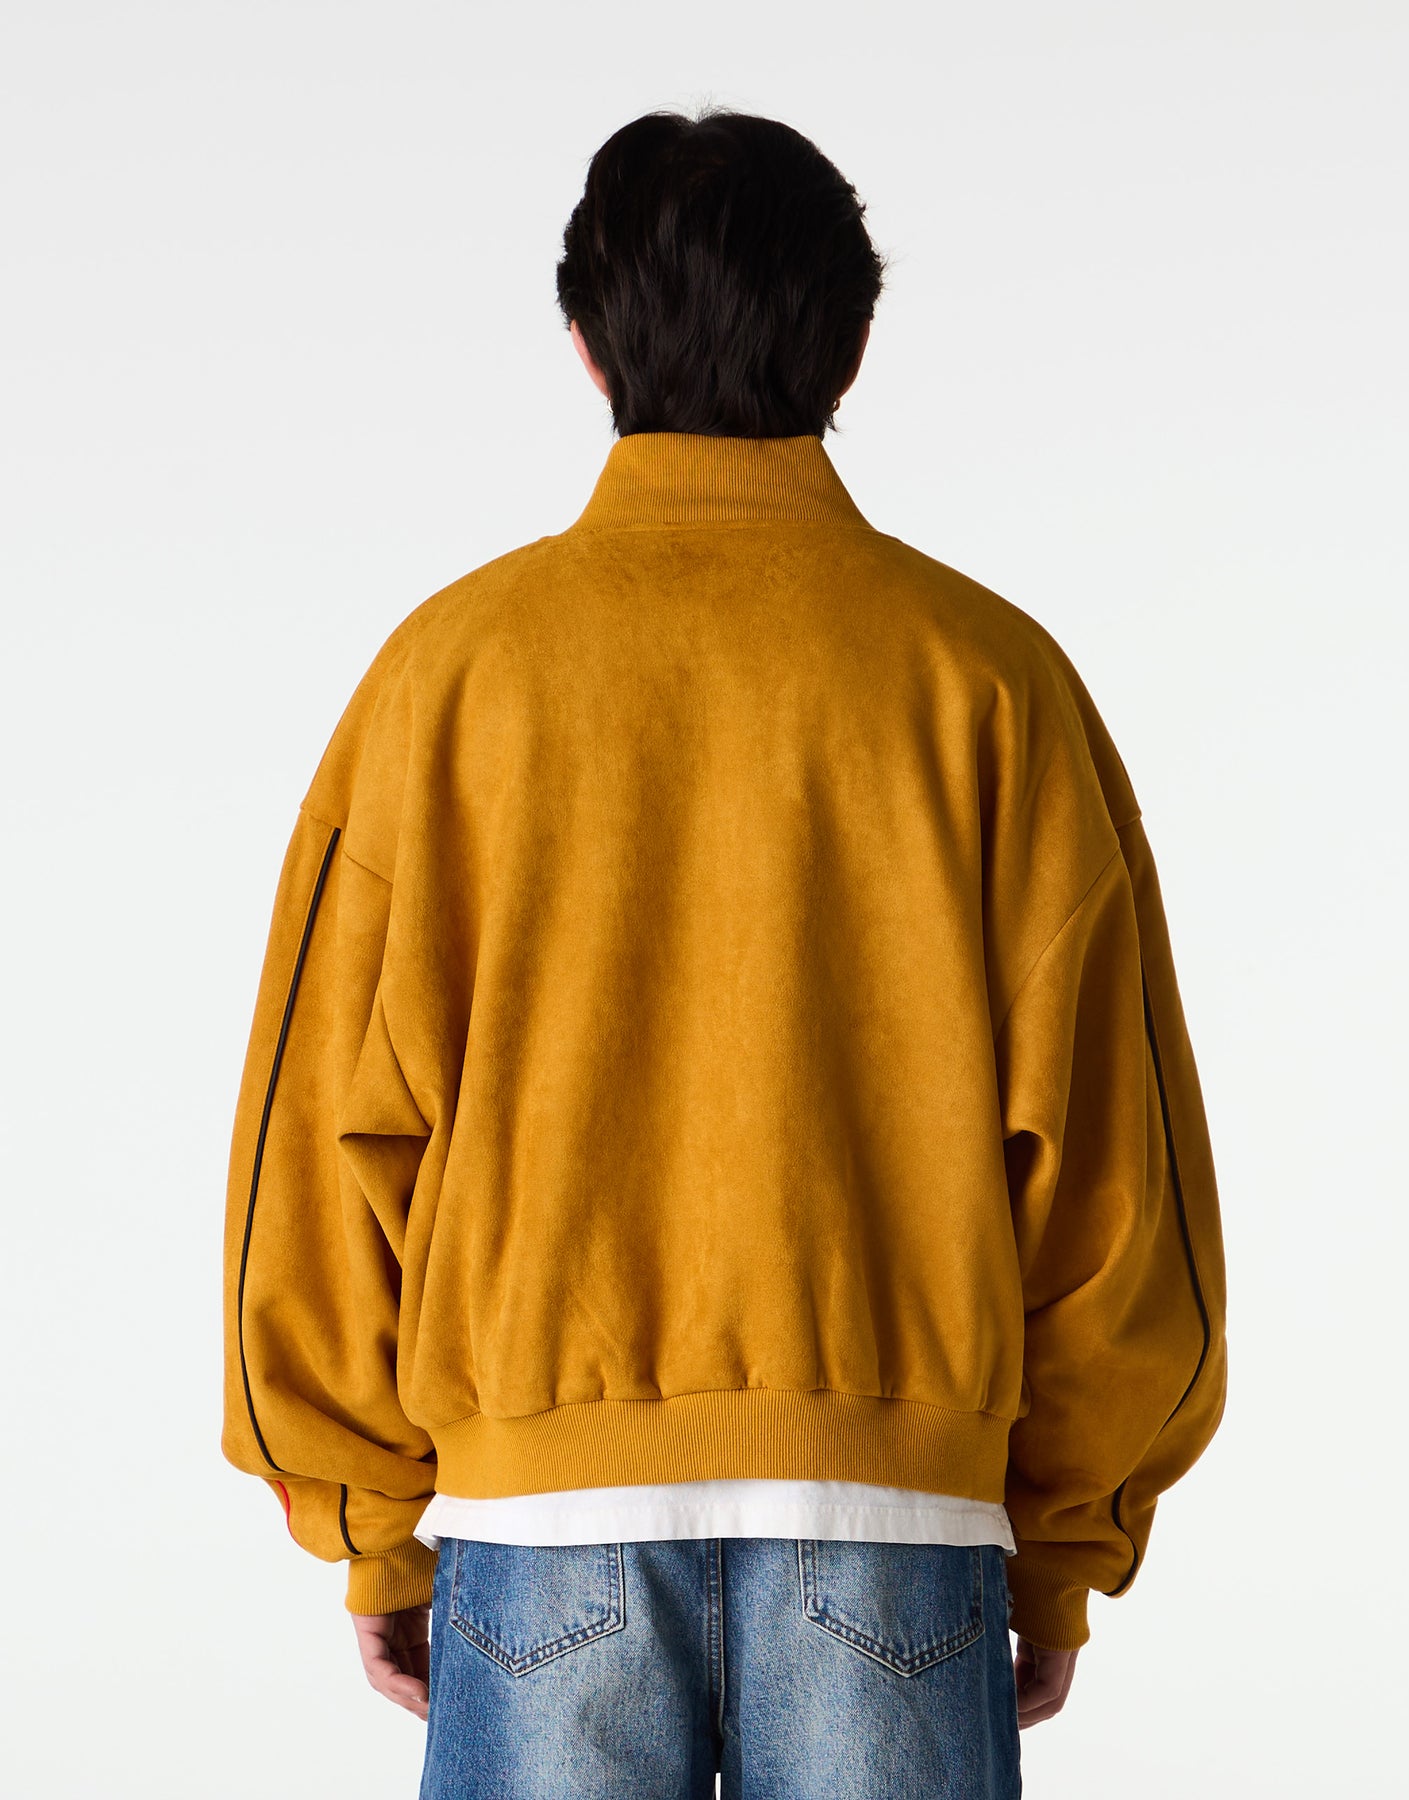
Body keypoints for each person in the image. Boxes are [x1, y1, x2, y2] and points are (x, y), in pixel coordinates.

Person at [221, 107, 1228, 1798]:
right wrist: (1069, 1534)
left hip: (538, 1532)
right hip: (898, 1529)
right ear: (853, 343)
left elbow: (318, 1137)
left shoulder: (448, 680)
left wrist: (366, 1522)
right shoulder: (988, 682)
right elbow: (1122, 1176)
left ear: (585, 342)